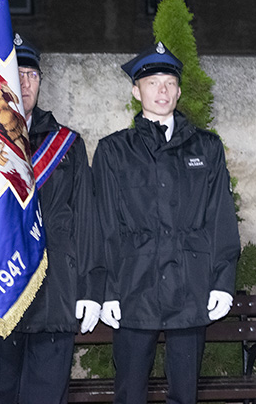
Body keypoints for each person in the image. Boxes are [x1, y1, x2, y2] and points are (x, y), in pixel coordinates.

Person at [92, 41, 241, 404]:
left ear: (178, 90)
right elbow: (103, 224)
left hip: (190, 287)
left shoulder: (206, 148)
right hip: (133, 287)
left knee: (185, 393)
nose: (162, 90)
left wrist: (222, 281)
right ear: (135, 90)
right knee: (129, 392)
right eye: (153, 82)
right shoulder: (114, 150)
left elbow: (220, 215)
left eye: (169, 82)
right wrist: (106, 290)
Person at [0, 33, 105, 404]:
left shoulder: (67, 144)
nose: (25, 83)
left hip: (56, 294)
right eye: (16, 74)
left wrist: (90, 290)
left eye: (32, 75)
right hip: (2, 294)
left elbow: (86, 221)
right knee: (2, 395)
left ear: (40, 82)